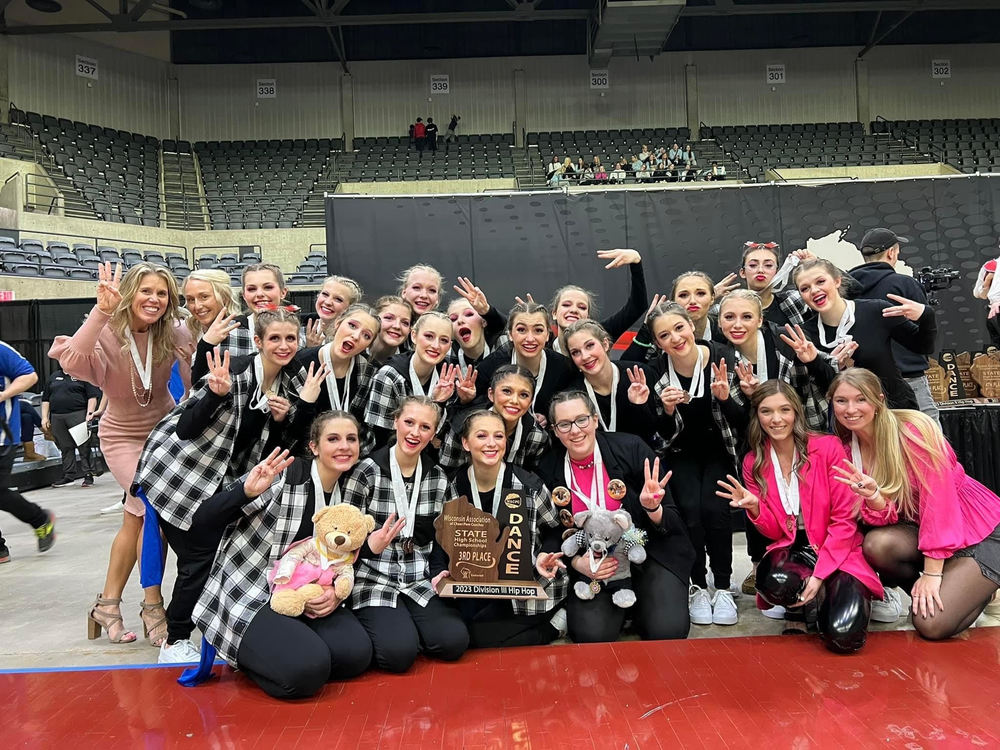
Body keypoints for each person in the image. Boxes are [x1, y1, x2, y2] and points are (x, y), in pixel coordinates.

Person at [135, 308, 314, 662]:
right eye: (274, 338)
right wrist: (215, 396)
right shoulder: (234, 370)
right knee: (198, 557)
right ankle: (176, 640)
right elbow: (186, 429)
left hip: (223, 482)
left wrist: (284, 417)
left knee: (207, 555)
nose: (283, 345)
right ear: (259, 341)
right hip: (181, 477)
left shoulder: (289, 385)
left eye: (290, 338)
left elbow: (270, 445)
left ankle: (193, 631)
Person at [193, 413, 396, 699]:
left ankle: (291, 646)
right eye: (333, 439)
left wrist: (335, 595)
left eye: (351, 439)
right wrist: (245, 492)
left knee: (355, 656)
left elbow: (341, 561)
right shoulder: (285, 476)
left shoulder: (350, 490)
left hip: (310, 591)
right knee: (306, 673)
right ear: (313, 446)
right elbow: (202, 521)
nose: (344, 446)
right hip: (253, 590)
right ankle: (257, 658)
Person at [50, 262, 193, 646]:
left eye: (162, 293)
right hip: (123, 438)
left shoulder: (172, 331)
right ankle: (153, 605)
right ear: (130, 293)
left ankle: (107, 604)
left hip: (165, 434)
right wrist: (101, 311)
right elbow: (73, 362)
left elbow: (196, 370)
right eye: (146, 291)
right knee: (152, 510)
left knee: (135, 521)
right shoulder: (107, 331)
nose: (154, 300)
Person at [829, 368, 1000, 640]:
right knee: (878, 545)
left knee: (931, 626)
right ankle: (953, 592)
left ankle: (980, 586)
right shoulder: (847, 450)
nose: (851, 409)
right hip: (927, 532)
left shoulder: (913, 431)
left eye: (861, 399)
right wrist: (874, 499)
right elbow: (886, 517)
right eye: (841, 401)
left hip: (980, 532)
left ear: (879, 400)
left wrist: (932, 574)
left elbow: (939, 505)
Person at [717, 381, 883, 652]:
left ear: (796, 412)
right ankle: (803, 605)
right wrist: (755, 508)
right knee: (772, 581)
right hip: (795, 548)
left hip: (836, 547)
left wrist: (819, 576)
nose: (777, 419)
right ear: (757, 416)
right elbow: (774, 532)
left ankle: (830, 592)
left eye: (785, 409)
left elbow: (844, 522)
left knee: (844, 638)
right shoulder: (753, 462)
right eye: (766, 411)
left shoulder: (827, 447)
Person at [535, 391, 694, 643]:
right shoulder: (549, 467)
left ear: (595, 420)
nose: (575, 430)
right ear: (555, 430)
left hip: (647, 553)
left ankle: (640, 606)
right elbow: (554, 528)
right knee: (590, 636)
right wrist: (578, 563)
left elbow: (672, 518)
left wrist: (652, 508)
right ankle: (623, 608)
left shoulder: (631, 447)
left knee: (667, 632)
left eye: (582, 420)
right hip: (596, 563)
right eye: (564, 424)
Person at [344, 396, 470, 671]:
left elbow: (445, 536)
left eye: (425, 427)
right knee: (398, 655)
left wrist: (441, 571)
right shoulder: (366, 472)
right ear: (395, 422)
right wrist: (367, 546)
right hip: (373, 579)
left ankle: (409, 626)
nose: (415, 433)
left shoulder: (438, 478)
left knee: (454, 642)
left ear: (434, 433)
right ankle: (396, 629)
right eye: (409, 422)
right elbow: (343, 535)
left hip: (419, 580)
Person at [644, 302, 747, 626]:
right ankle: (698, 585)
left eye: (679, 328)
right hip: (682, 450)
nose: (675, 338)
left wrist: (725, 398)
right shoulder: (657, 369)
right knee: (689, 508)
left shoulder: (723, 356)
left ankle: (722, 584)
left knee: (715, 508)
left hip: (721, 448)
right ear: (658, 342)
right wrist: (668, 411)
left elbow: (744, 420)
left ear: (692, 325)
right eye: (664, 335)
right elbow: (658, 433)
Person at [433, 410, 566, 647]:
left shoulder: (529, 485)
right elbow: (441, 538)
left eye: (499, 436)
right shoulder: (453, 485)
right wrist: (440, 571)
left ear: (506, 441)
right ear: (465, 442)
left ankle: (552, 627)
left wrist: (545, 553)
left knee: (477, 638)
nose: (491, 444)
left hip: (526, 585)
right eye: (482, 436)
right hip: (474, 583)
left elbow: (555, 529)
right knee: (457, 633)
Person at [792, 258, 936, 410]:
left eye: (820, 282)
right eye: (805, 288)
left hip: (896, 412)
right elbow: (826, 389)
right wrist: (818, 362)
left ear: (837, 281)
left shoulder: (876, 311)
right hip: (851, 419)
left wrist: (926, 314)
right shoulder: (806, 335)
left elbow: (923, 346)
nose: (814, 290)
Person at [849, 228, 939, 424]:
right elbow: (924, 338)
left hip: (865, 383)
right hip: (910, 379)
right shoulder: (905, 284)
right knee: (927, 443)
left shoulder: (847, 289)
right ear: (891, 253)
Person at [364, 311, 463, 447]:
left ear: (450, 346)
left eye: (444, 340)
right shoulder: (389, 376)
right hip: (388, 455)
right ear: (414, 336)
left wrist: (439, 403)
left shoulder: (449, 378)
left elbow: (441, 439)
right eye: (429, 336)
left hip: (428, 458)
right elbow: (379, 436)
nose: (436, 346)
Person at [294, 304, 381, 452]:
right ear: (338, 323)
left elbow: (369, 430)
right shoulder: (300, 363)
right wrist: (305, 403)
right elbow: (290, 433)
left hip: (348, 455)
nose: (356, 336)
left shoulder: (370, 371)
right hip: (305, 455)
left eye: (366, 335)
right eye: (352, 326)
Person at [474, 302, 574, 425]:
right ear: (510, 334)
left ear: (547, 335)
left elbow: (569, 408)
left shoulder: (563, 368)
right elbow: (475, 410)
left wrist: (550, 416)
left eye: (538, 330)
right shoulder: (491, 366)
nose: (530, 338)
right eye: (521, 330)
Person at [0, 340, 55, 564]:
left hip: (2, 436)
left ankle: (40, 518)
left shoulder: (1, 350)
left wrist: (3, 396)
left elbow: (29, 376)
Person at [439, 365, 549, 473]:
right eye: (506, 391)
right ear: (491, 394)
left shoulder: (537, 436)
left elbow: (534, 479)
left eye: (524, 395)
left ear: (530, 402)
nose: (515, 400)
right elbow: (447, 472)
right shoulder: (464, 426)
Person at [564, 320, 657, 447]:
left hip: (640, 459)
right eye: (576, 352)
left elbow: (654, 435)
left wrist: (638, 407)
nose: (585, 356)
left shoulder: (639, 375)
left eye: (590, 345)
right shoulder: (573, 396)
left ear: (605, 344)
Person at [549, 248, 648, 354]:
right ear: (554, 313)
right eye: (566, 305)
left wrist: (636, 263)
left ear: (587, 317)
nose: (574, 310)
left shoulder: (600, 335)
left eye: (582, 307)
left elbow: (637, 306)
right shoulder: (542, 347)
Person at [41, 363, 100, 488]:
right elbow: (46, 399)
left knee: (83, 445)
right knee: (65, 446)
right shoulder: (54, 376)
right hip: (57, 416)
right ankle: (69, 475)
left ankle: (88, 474)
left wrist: (90, 413)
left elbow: (92, 396)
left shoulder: (83, 375)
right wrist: (45, 417)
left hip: (77, 413)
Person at [734, 242, 811, 330]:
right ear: (743, 272)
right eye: (753, 265)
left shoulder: (793, 299)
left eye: (768, 265)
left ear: (778, 272)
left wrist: (814, 265)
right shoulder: (729, 307)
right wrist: (714, 293)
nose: (760, 270)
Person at [445, 277, 506, 369]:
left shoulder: (504, 346)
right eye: (453, 319)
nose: (460, 320)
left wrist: (486, 311)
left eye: (468, 314)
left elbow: (507, 325)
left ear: (484, 322)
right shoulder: (445, 356)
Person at [304, 275, 364, 347]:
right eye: (325, 294)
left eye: (338, 299)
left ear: (350, 307)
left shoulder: (355, 338)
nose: (328, 302)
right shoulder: (300, 331)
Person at [370, 295, 414, 366]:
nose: (397, 326)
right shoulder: (355, 351)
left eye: (405, 323)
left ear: (410, 330)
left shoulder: (410, 364)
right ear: (374, 319)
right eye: (389, 318)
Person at [972, 256, 1000, 349]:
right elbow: (977, 294)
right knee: (996, 350)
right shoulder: (991, 265)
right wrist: (987, 281)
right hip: (993, 310)